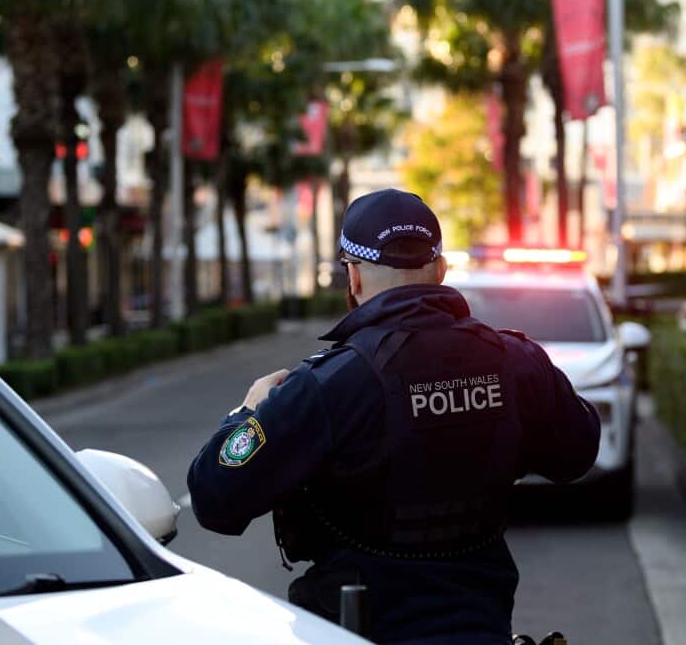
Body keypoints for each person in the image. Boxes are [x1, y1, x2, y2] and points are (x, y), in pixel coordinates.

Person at [187, 189, 600, 644]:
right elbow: (577, 453)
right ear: (440, 271)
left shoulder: (329, 384)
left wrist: (247, 412)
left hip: (359, 629)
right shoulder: (515, 360)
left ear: (354, 277)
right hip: (483, 628)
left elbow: (213, 498)